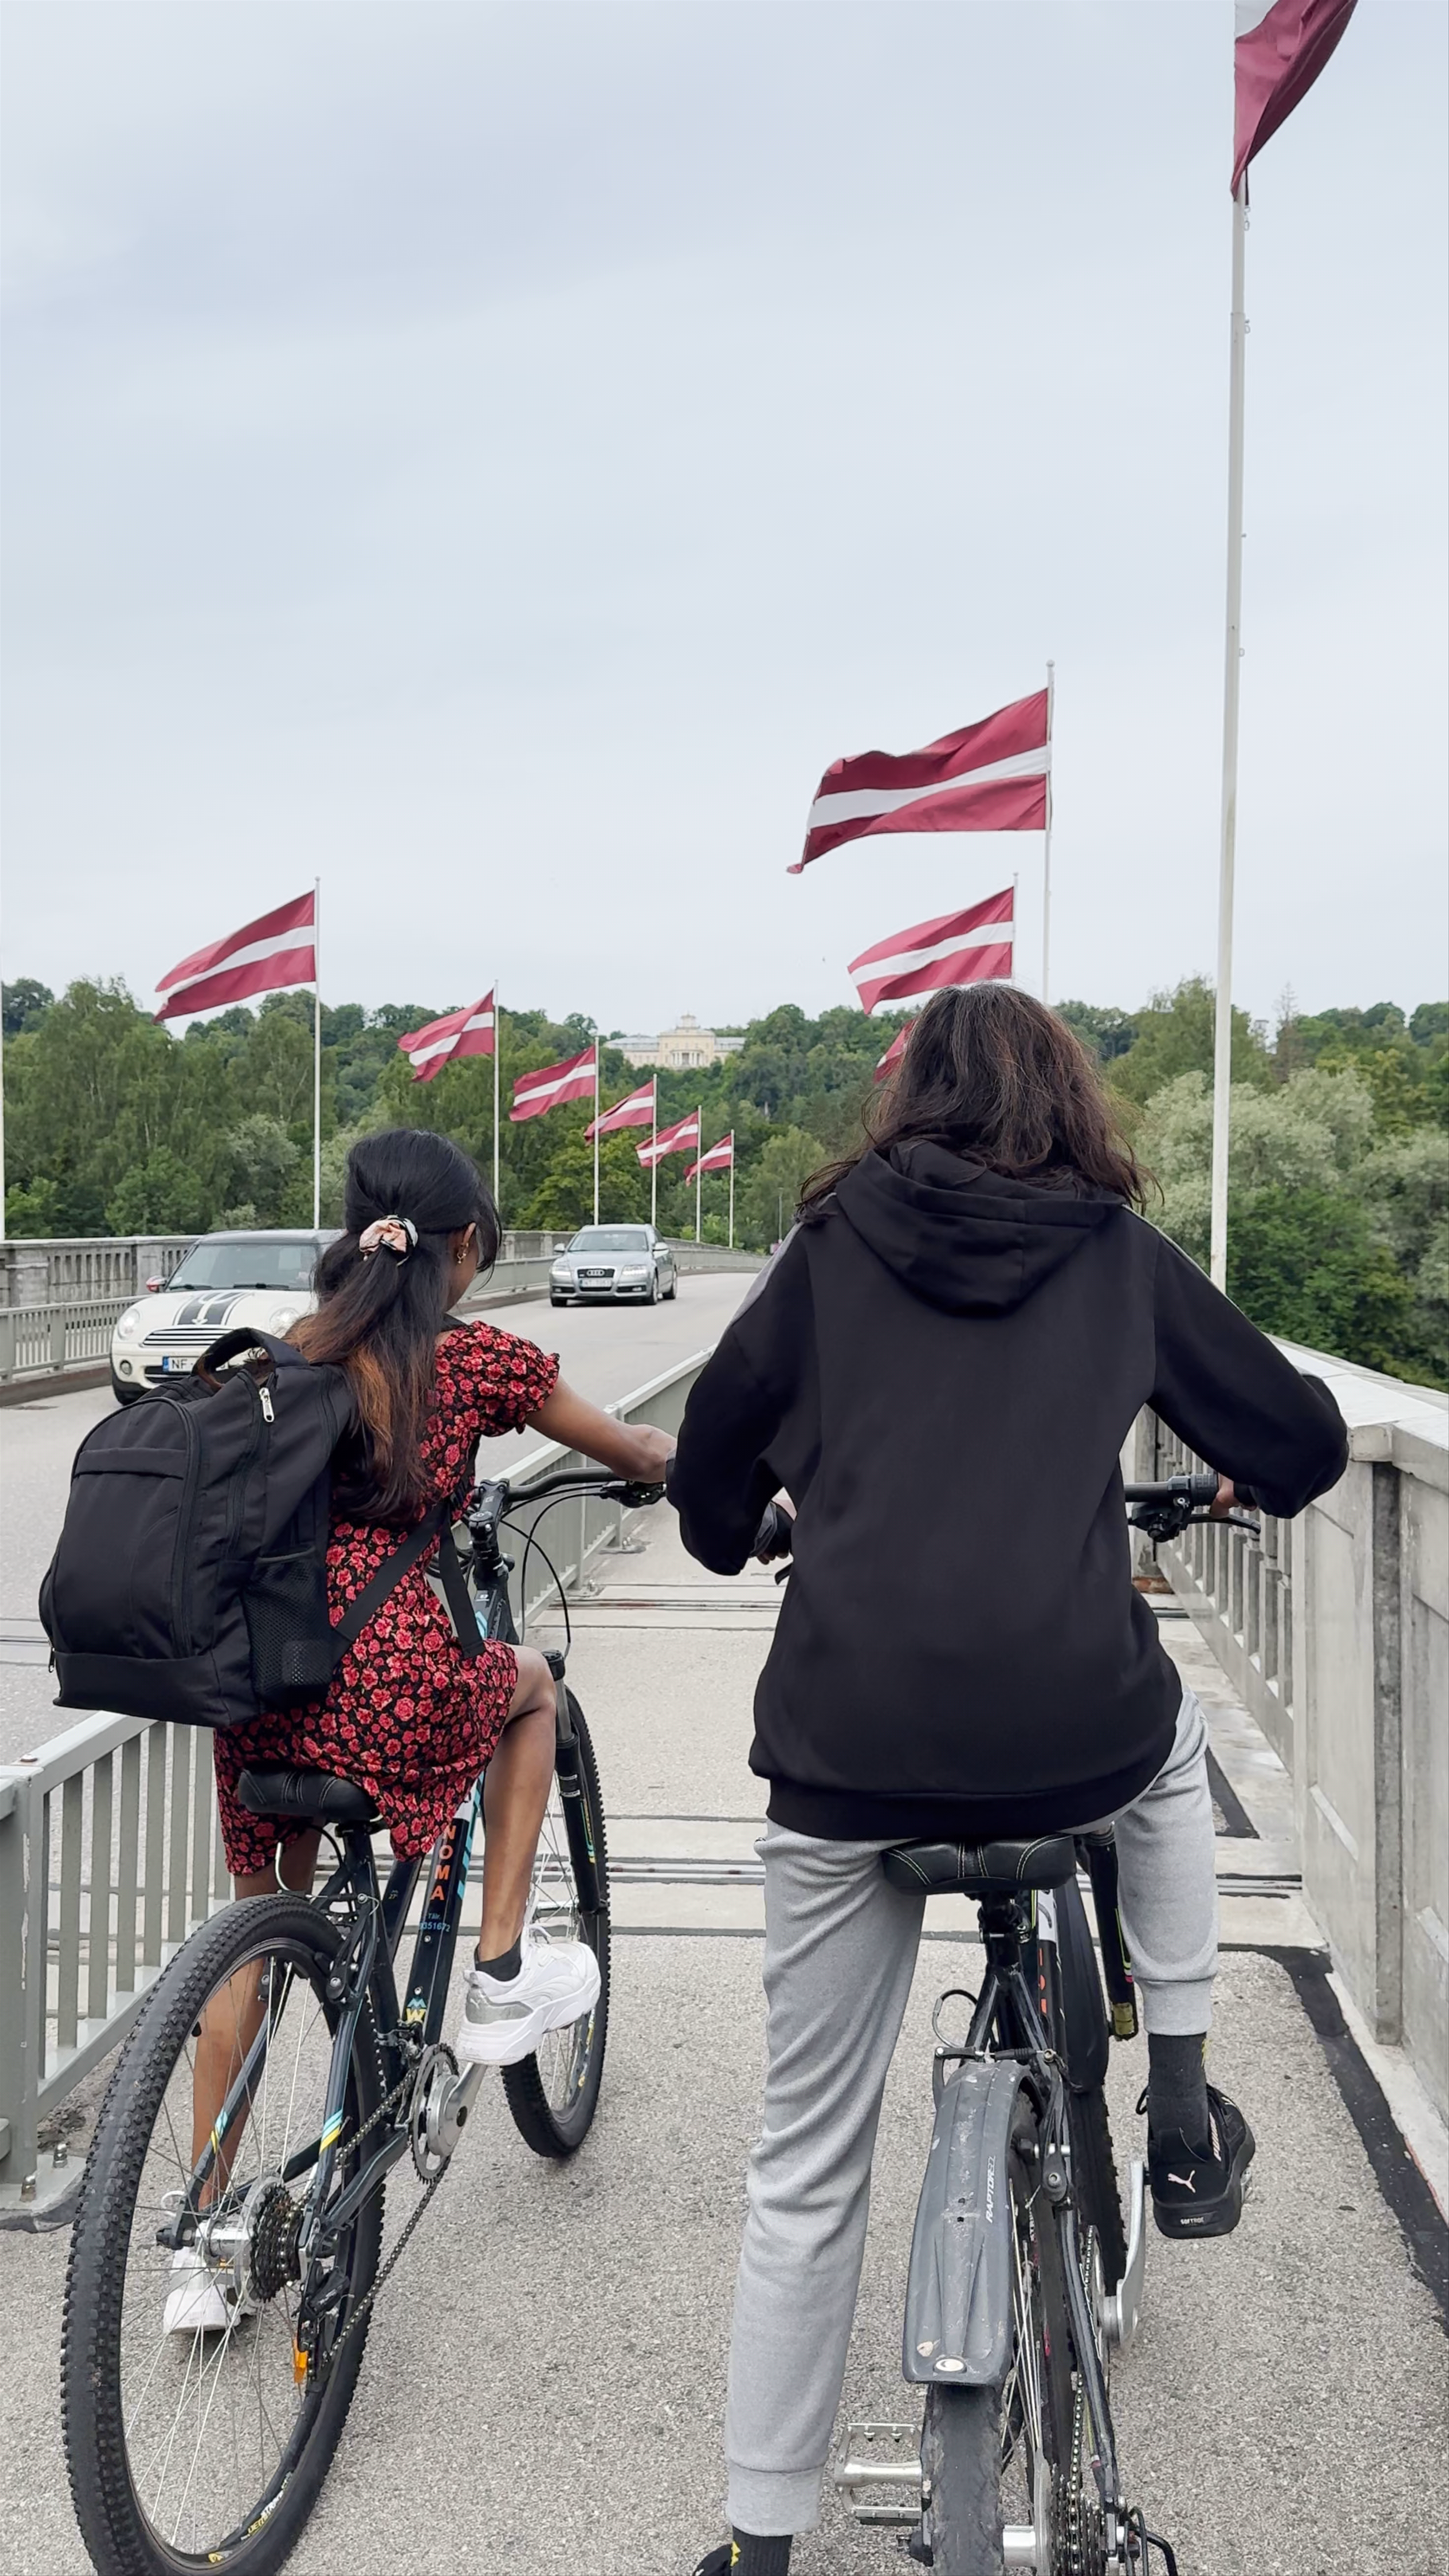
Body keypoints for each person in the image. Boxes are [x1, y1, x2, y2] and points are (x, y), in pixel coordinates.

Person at [668, 984, 1347, 2576]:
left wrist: (748, 1523)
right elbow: (1302, 1445)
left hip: (847, 1752)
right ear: (1064, 1097)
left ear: (909, 1097)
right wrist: (1246, 1463)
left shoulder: (828, 1248)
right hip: (1069, 1727)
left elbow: (707, 1473)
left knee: (804, 2165)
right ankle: (1181, 2100)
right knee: (1170, 1750)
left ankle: (759, 2547)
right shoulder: (1118, 1254)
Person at [167, 1127, 673, 2335]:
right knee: (531, 1687)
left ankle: (200, 2246)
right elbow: (631, 1447)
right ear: (462, 1249)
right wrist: (674, 1465)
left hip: (264, 1691)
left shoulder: (289, 1354)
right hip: (391, 1684)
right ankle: (499, 1968)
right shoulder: (472, 1359)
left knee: (252, 1934)